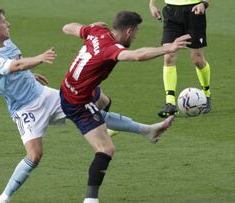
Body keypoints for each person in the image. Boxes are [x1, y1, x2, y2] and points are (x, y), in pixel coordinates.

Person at [0, 5, 177, 203]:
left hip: (46, 95)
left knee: (100, 104)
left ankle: (142, 130)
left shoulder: (6, 41)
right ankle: (3, 199)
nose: (8, 23)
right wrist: (38, 59)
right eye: (4, 21)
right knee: (35, 155)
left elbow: (19, 64)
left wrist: (28, 76)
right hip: (24, 109)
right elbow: (15, 65)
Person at [60, 11, 191, 203]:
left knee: (104, 101)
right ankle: (90, 200)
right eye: (136, 32)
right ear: (128, 31)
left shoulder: (97, 30)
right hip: (77, 102)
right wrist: (169, 48)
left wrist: (92, 27)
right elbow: (137, 55)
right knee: (106, 149)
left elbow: (67, 27)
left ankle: (143, 130)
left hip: (71, 86)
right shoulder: (110, 49)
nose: (136, 36)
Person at [149, 0, 212, 117]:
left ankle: (206, 94)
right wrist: (152, 4)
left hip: (195, 12)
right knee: (168, 56)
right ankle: (170, 102)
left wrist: (204, 4)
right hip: (171, 12)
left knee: (197, 59)